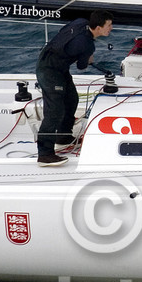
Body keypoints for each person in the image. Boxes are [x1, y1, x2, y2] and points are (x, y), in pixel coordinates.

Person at [35, 10, 114, 166]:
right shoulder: (87, 45)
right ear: (98, 27)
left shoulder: (80, 22)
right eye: (109, 25)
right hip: (49, 70)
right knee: (54, 111)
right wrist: (88, 57)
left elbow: (63, 32)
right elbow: (81, 66)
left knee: (72, 99)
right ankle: (44, 154)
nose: (111, 28)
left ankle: (63, 136)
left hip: (58, 66)